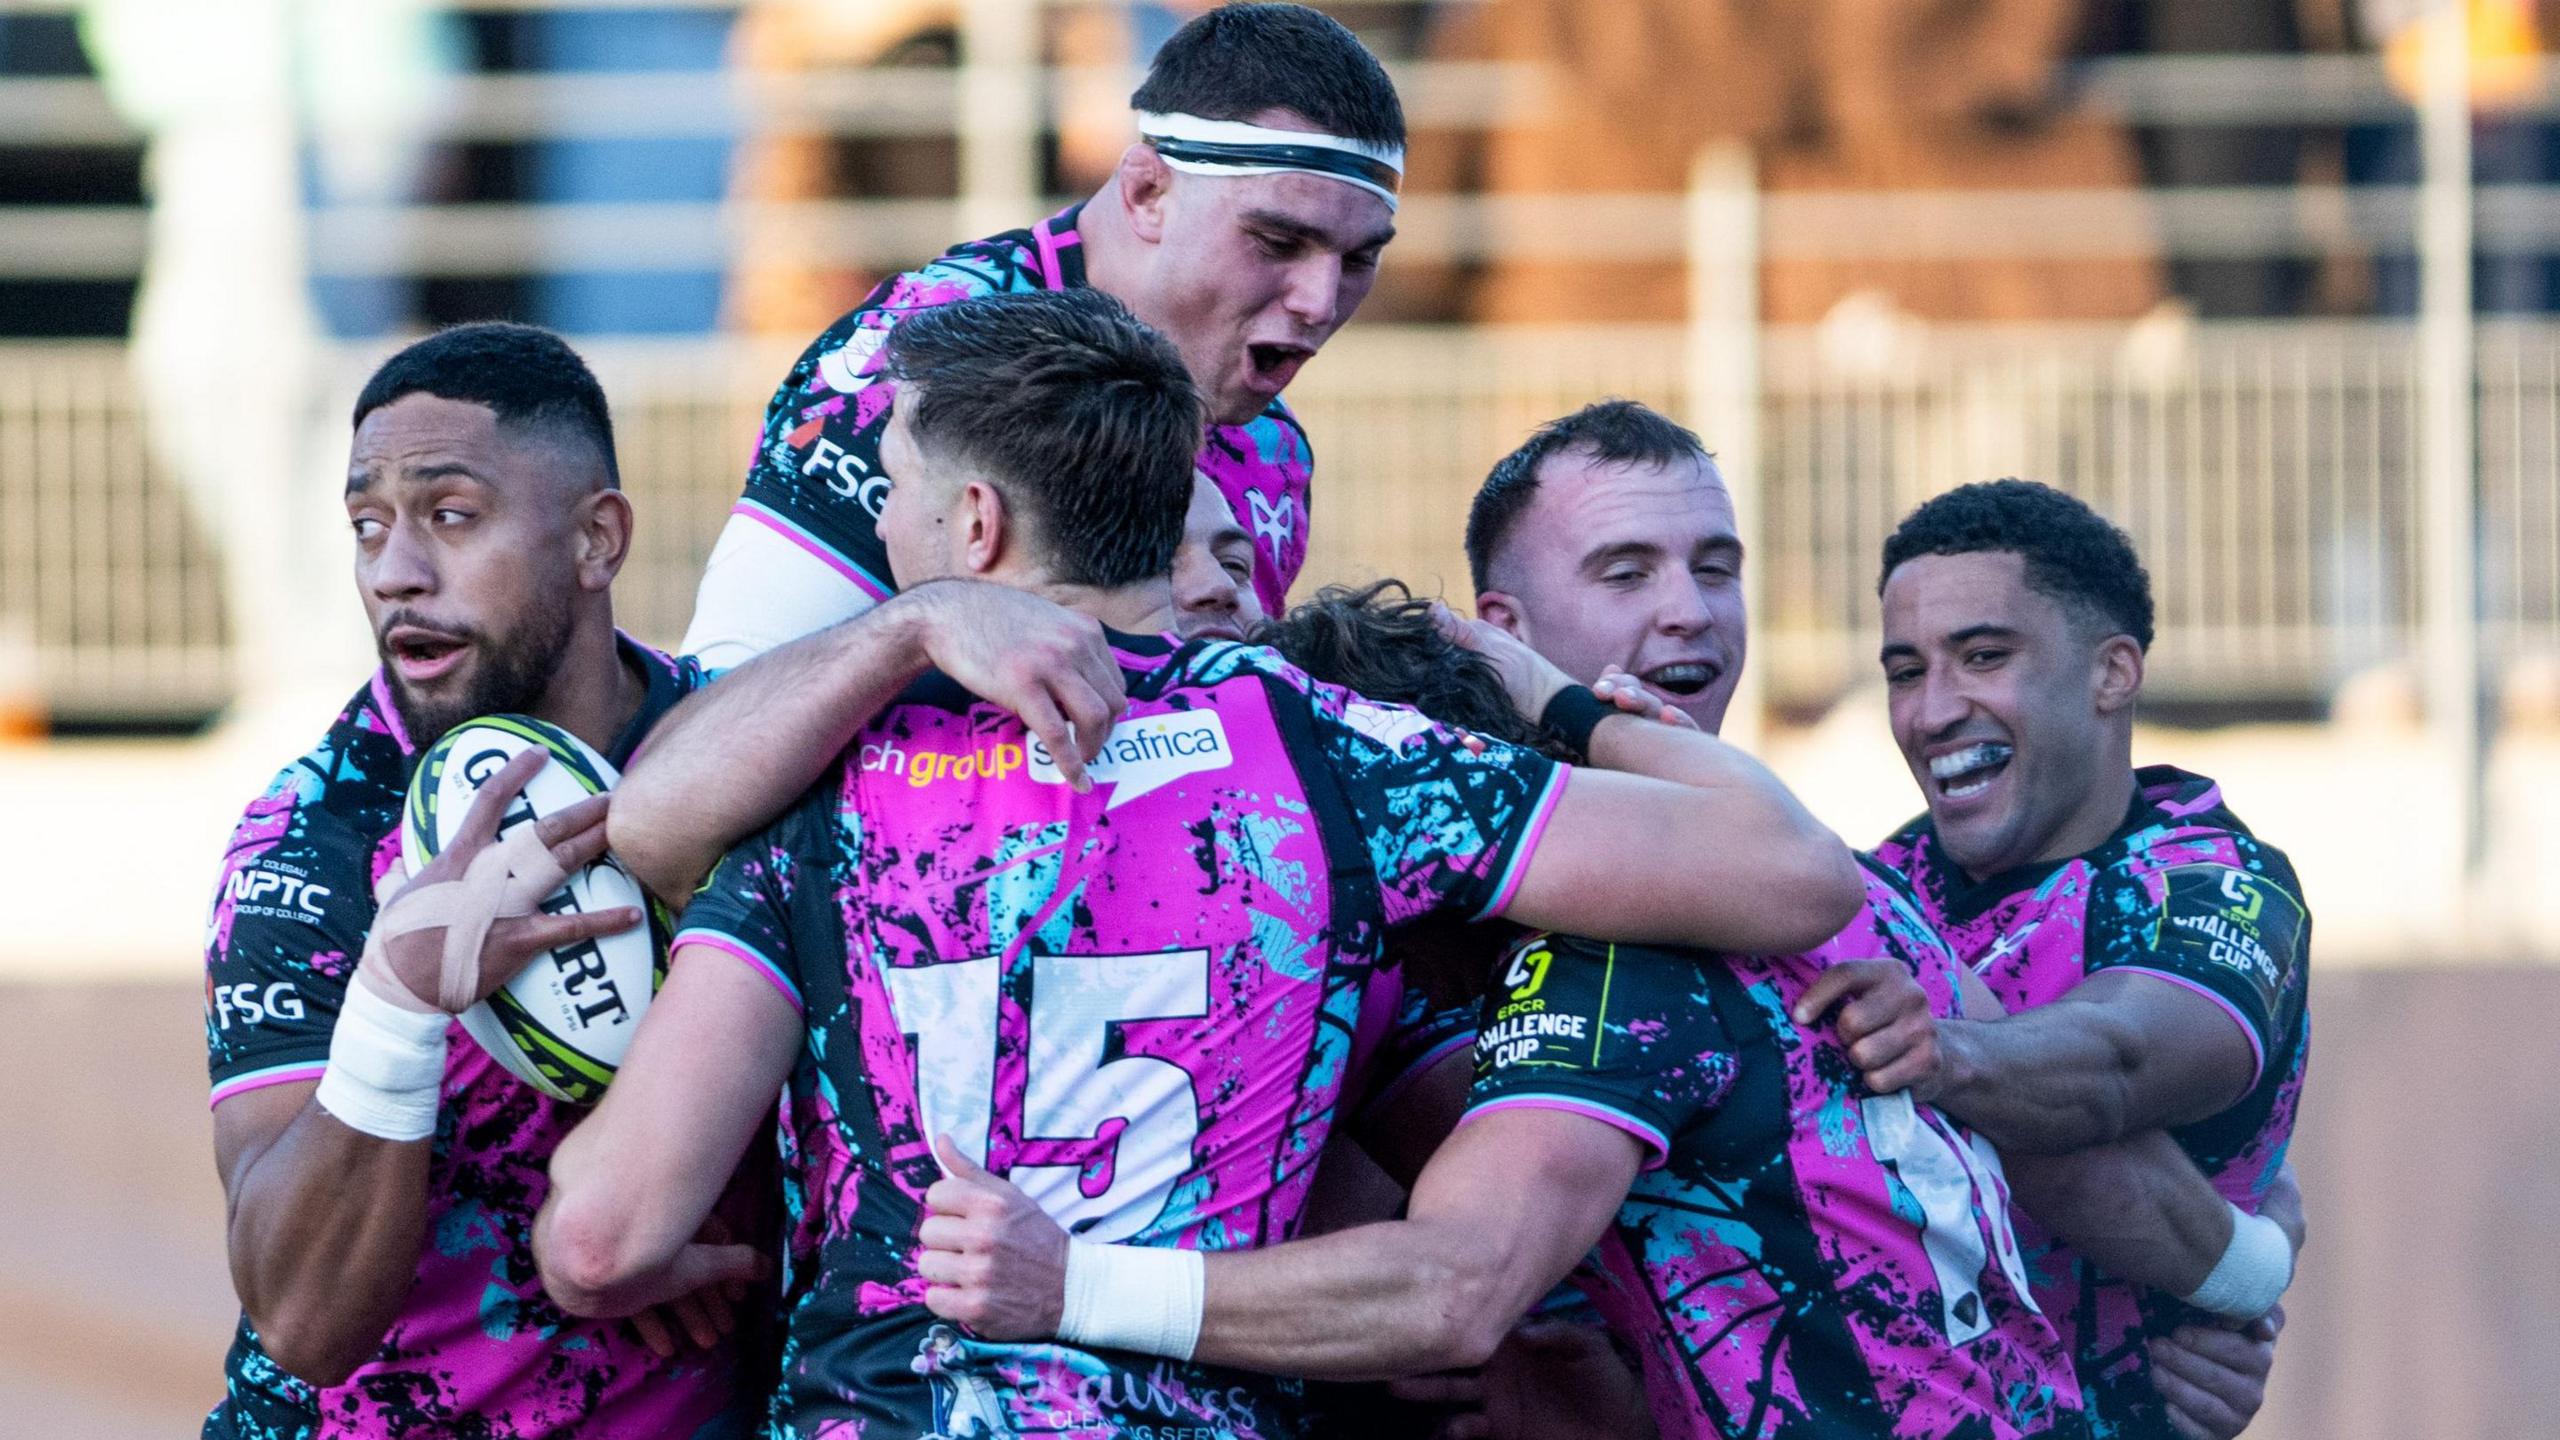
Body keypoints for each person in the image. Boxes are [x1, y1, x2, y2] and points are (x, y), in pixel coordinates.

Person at [531, 290, 1865, 1438]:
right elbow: (1796, 876)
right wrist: (1555, 700)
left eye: (895, 494)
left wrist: (905, 634)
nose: (885, 526)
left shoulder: (826, 777)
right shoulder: (1331, 751)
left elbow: (602, 1244)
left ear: (978, 525)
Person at [913, 406, 2281, 1440]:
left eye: (1715, 565)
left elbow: (1459, 1288)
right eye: (1628, 571)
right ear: (1507, 631)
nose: (1688, 611)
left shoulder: (1636, 947)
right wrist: (2249, 1263)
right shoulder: (1856, 880)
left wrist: (1069, 1287)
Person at [200, 323, 767, 1439]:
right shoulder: (313, 834)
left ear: (597, 540)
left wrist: (660, 1214)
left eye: (449, 516)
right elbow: (300, 1321)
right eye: (367, 526)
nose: (393, 571)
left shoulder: (747, 753)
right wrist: (396, 1008)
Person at [680, 2, 1404, 667]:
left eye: (1360, 258)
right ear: (1148, 193)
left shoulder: (1273, 449)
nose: (1319, 301)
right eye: (1277, 241)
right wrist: (929, 628)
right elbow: (720, 715)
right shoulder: (912, 364)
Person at [1864, 480, 2311, 1440]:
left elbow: (2118, 1060)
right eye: (1906, 671)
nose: (1933, 710)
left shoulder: (2216, 884)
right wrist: (2257, 1260)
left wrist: (1930, 1056)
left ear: (2113, 673)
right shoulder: (1873, 885)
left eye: (1984, 656)